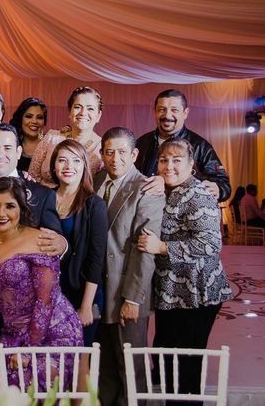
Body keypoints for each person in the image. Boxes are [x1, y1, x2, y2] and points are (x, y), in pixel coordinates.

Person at [0, 123, 68, 378]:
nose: (0, 154)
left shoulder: (41, 194)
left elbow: (53, 239)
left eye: (7, 148)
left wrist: (63, 244)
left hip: (35, 315)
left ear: (19, 152)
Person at [138, 138, 233, 404]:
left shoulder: (197, 193)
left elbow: (210, 244)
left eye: (177, 160)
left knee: (187, 363)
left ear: (192, 165)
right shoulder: (168, 189)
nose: (169, 166)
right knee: (169, 358)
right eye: (164, 160)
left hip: (196, 294)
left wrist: (162, 247)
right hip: (173, 291)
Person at [0, 177, 83, 389]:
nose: (1, 213)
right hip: (11, 335)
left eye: (10, 206)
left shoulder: (39, 242)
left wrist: (30, 349)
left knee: (29, 385)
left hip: (53, 332)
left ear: (22, 208)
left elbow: (45, 303)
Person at [93, 127, 165, 406]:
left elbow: (144, 250)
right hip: (98, 290)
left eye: (122, 152)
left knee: (131, 368)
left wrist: (133, 298)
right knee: (105, 368)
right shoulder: (96, 179)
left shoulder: (146, 188)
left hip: (126, 291)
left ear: (134, 154)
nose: (115, 158)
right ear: (102, 154)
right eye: (109, 151)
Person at [50, 139, 108, 391]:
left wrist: (86, 306)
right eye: (62, 160)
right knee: (54, 360)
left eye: (75, 160)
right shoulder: (45, 198)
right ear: (53, 165)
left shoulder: (94, 204)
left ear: (85, 166)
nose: (68, 166)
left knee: (80, 360)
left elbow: (97, 258)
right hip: (52, 294)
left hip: (85, 292)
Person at [135, 89, 231, 202]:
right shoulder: (141, 142)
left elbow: (223, 183)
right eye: (161, 110)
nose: (167, 115)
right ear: (154, 112)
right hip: (147, 213)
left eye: (174, 110)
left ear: (185, 113)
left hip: (182, 214)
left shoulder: (200, 145)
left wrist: (219, 188)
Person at [29, 86, 104, 187]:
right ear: (70, 112)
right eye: (78, 107)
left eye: (90, 108)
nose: (83, 113)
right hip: (41, 199)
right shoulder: (51, 137)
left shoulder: (102, 148)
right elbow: (32, 177)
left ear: (98, 115)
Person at [9, 97, 47, 172]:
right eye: (29, 116)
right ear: (21, 119)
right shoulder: (12, 145)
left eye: (39, 117)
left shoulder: (50, 146)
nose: (34, 121)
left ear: (44, 122)